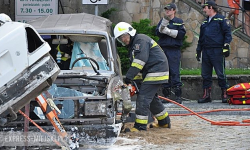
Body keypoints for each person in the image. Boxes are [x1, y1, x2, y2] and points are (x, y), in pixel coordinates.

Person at [113, 22, 171, 132]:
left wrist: (128, 79)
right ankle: (164, 122)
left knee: (143, 99)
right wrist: (135, 82)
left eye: (123, 37)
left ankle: (140, 127)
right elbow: (140, 66)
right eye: (120, 39)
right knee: (152, 99)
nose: (123, 40)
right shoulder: (135, 44)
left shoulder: (140, 41)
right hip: (154, 71)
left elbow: (139, 62)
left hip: (156, 71)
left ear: (129, 33)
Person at [196, 1, 232, 103]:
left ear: (211, 7)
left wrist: (226, 45)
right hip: (206, 50)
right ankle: (206, 95)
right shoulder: (205, 22)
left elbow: (227, 33)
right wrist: (198, 50)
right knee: (205, 74)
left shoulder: (221, 19)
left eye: (205, 8)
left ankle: (224, 93)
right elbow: (201, 38)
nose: (204, 10)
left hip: (217, 50)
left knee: (220, 73)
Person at [155, 3, 186, 104]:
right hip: (163, 49)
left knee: (175, 72)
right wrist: (163, 28)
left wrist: (168, 31)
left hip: (174, 50)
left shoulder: (178, 22)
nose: (167, 11)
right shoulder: (163, 21)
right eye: (166, 10)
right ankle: (166, 96)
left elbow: (181, 34)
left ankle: (178, 96)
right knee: (165, 72)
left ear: (174, 10)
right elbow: (158, 33)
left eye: (169, 9)